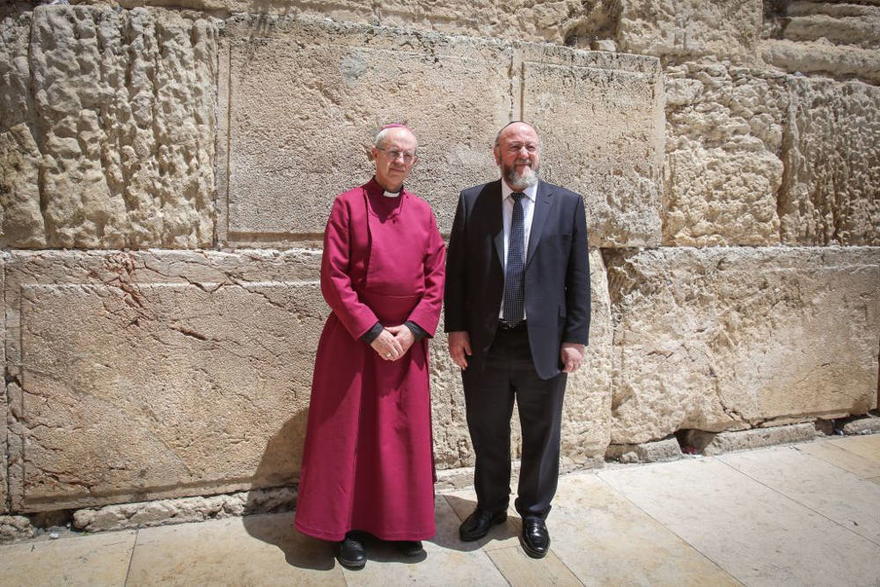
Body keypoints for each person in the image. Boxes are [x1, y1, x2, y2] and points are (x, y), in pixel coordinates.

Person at [295, 124, 445, 569]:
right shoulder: (346, 205)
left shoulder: (423, 212)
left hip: (405, 344)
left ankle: (403, 526)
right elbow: (335, 278)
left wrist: (413, 329)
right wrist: (373, 330)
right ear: (373, 156)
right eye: (391, 152)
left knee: (402, 436)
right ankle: (349, 529)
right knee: (350, 437)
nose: (400, 161)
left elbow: (437, 278)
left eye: (408, 155)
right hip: (354, 340)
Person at [444, 121, 590, 559]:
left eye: (530, 146)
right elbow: (458, 274)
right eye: (513, 147)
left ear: (538, 153)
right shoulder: (473, 202)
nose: (523, 154)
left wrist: (575, 339)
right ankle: (489, 507)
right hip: (487, 342)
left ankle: (533, 513)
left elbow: (577, 278)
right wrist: (456, 328)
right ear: (497, 155)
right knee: (487, 431)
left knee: (542, 433)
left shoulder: (566, 205)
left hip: (541, 343)